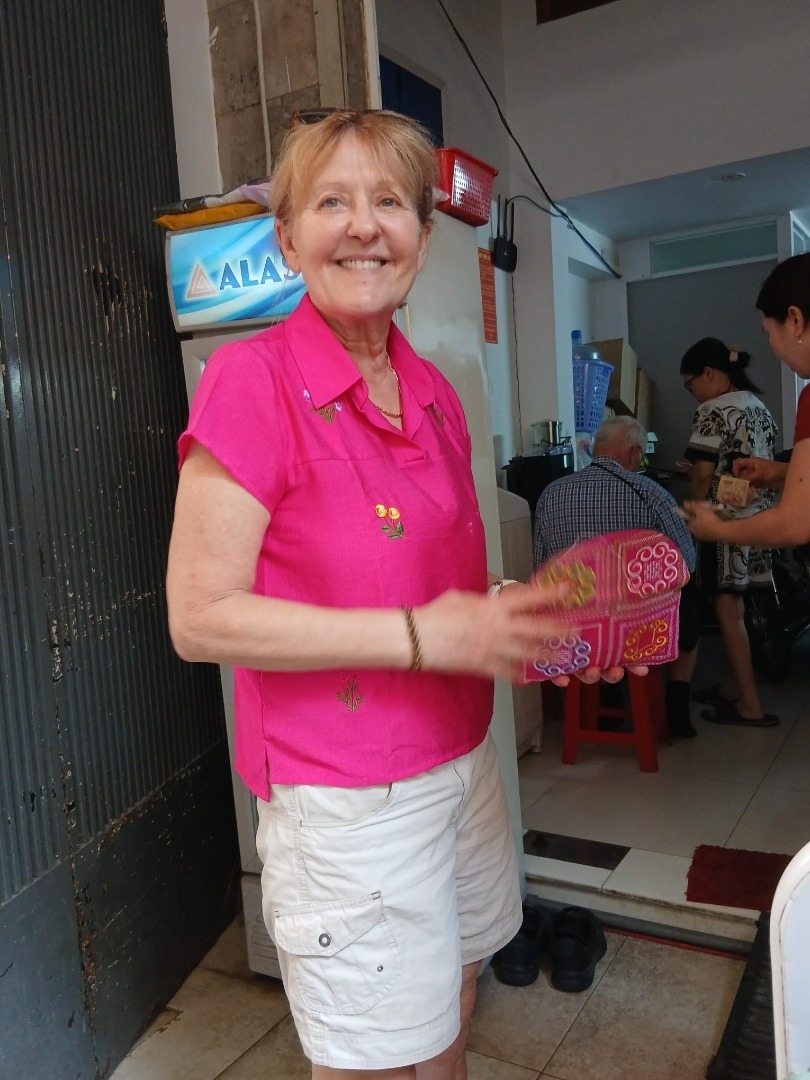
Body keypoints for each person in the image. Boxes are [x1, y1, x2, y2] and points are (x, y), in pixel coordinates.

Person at [165, 109, 635, 1080]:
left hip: (463, 759)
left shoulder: (434, 391)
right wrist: (422, 635)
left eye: (388, 201)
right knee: (375, 1054)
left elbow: (441, 585)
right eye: (330, 202)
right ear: (287, 238)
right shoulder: (250, 382)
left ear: (423, 233)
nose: (363, 226)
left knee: (452, 997)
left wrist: (531, 618)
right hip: (350, 797)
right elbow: (199, 616)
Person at [533, 415, 698, 737]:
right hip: (638, 626)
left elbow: (541, 569)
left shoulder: (551, 494)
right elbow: (686, 565)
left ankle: (605, 699)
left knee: (595, 623)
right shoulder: (650, 492)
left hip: (573, 625)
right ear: (635, 453)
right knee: (689, 616)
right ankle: (676, 705)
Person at [679, 336, 779, 727]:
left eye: (689, 384)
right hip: (760, 521)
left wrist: (695, 510)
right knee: (742, 606)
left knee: (727, 610)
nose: (691, 393)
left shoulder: (711, 410)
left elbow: (705, 475)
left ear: (708, 373)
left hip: (725, 523)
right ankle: (733, 687)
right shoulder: (758, 407)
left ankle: (750, 705)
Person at [686, 253, 810, 551]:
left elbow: (794, 524)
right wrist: (782, 473)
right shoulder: (758, 404)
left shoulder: (709, 410)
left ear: (794, 320)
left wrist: (714, 528)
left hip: (744, 528)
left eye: (768, 333)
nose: (772, 346)